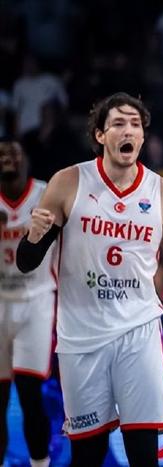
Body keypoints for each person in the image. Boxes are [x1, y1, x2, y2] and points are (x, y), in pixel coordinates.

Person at [16, 92, 163, 467]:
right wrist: (33, 236)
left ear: (143, 136)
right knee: (87, 453)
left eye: (135, 124)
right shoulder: (69, 182)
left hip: (138, 331)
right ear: (100, 135)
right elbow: (27, 262)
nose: (129, 130)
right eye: (119, 123)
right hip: (80, 335)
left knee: (142, 449)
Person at [0, 139, 53, 467]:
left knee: (30, 395)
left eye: (13, 153)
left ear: (26, 160)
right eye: (1, 154)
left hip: (36, 301)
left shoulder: (47, 194)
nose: (7, 158)